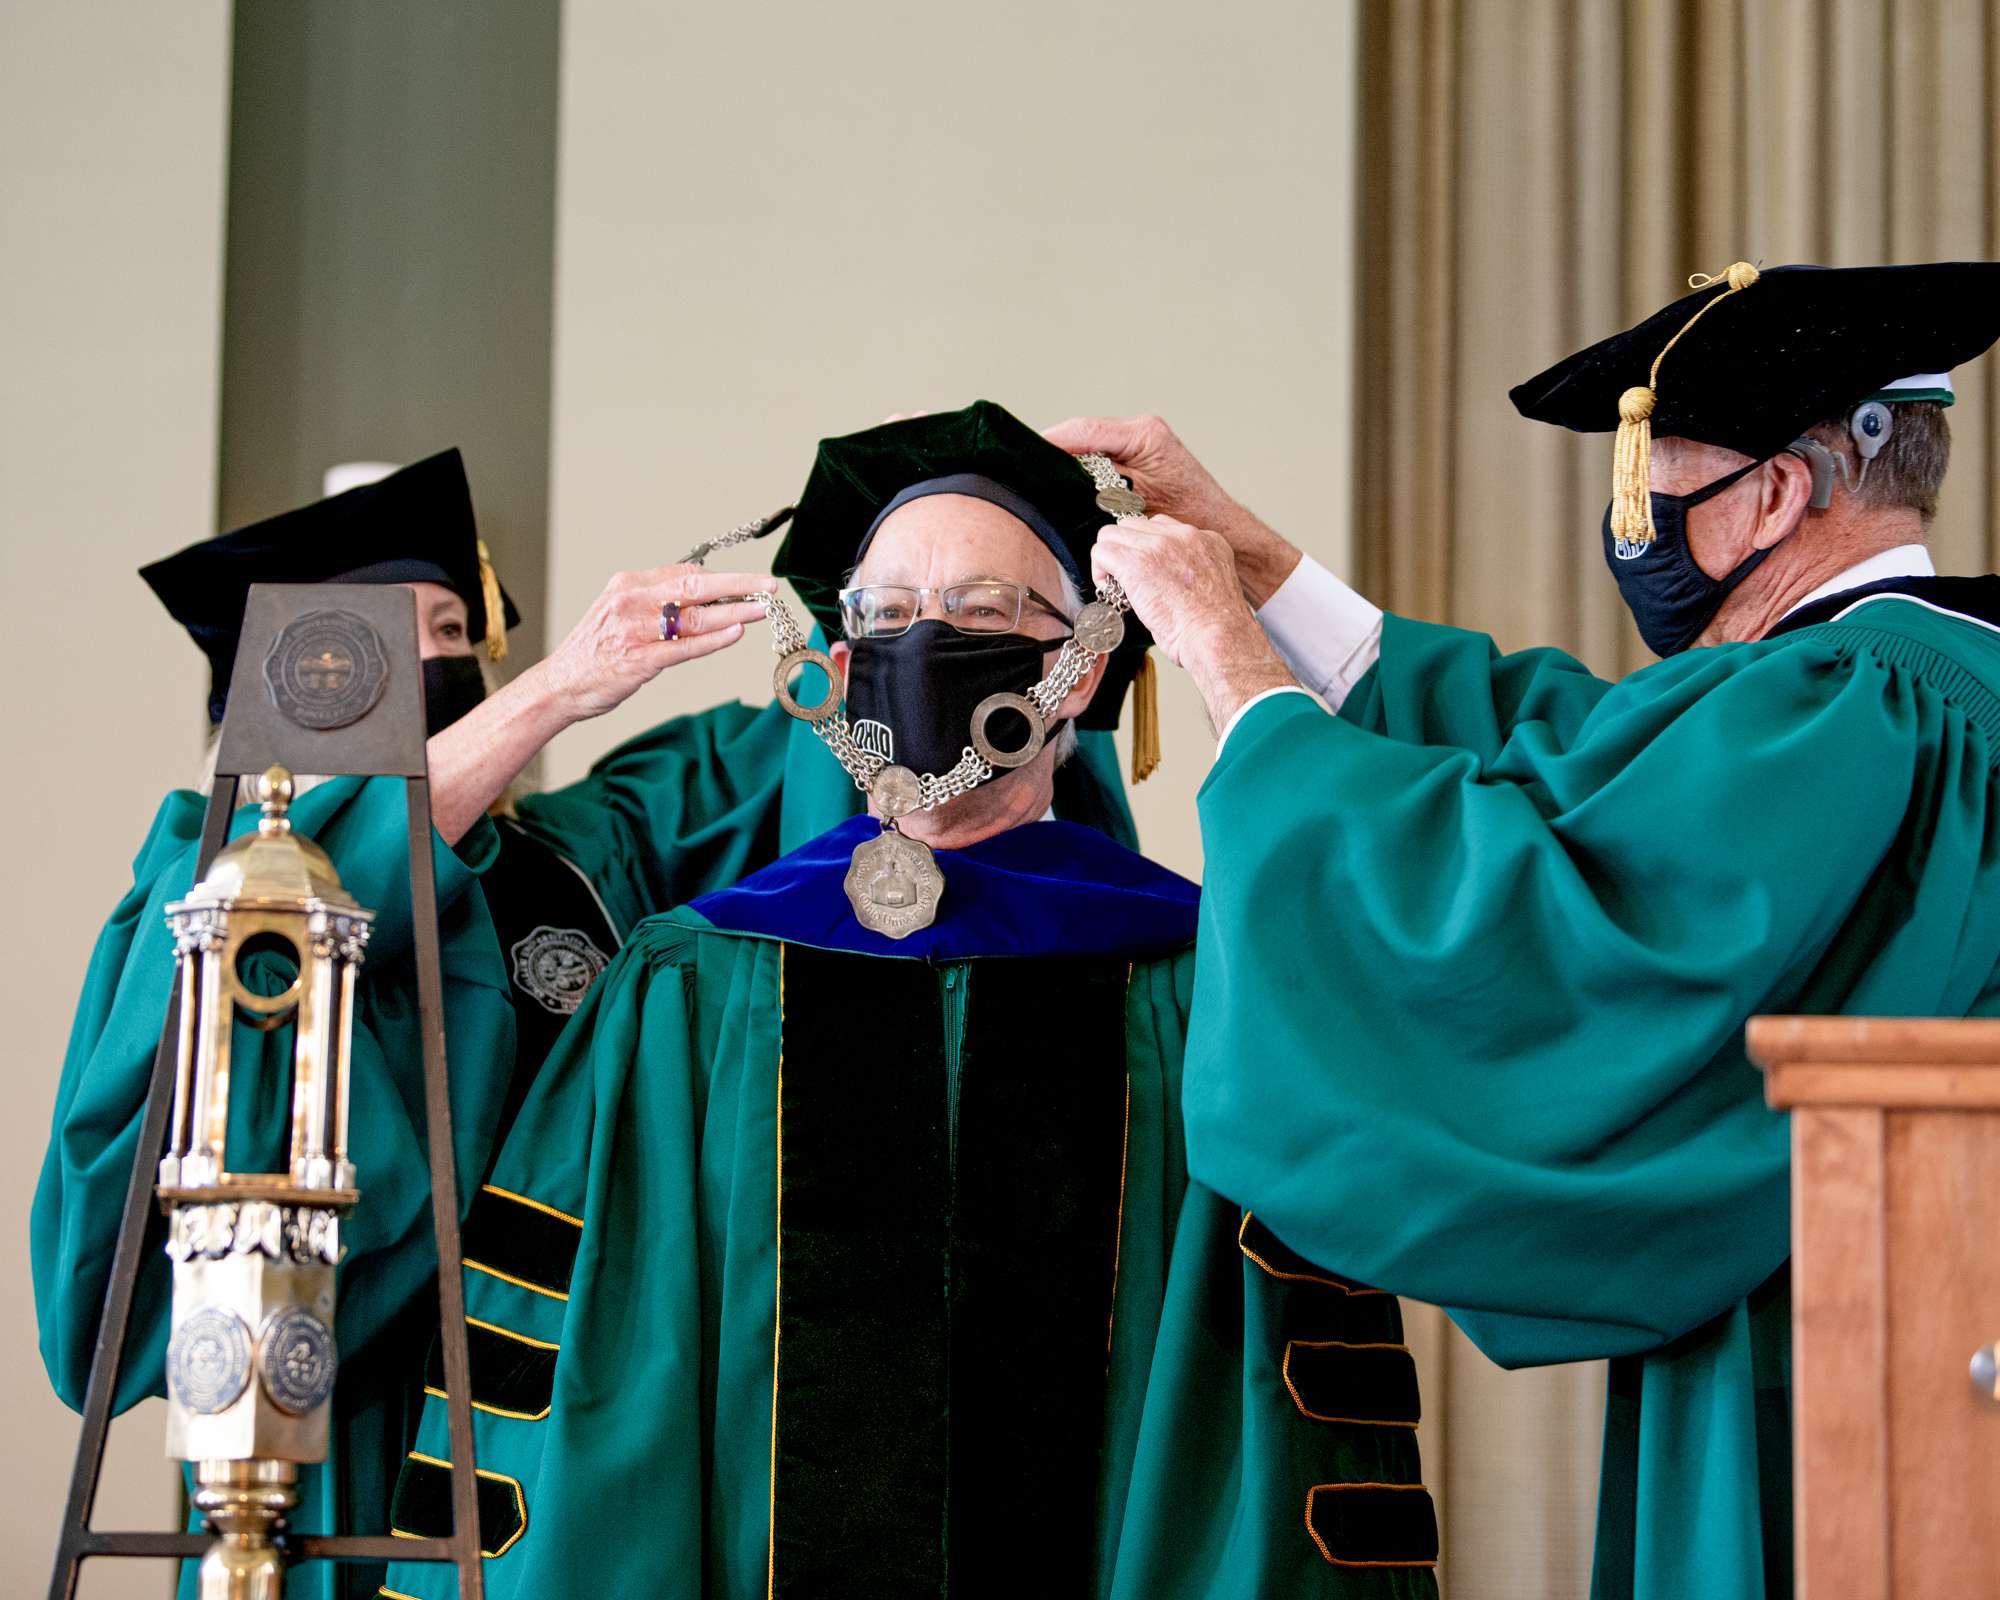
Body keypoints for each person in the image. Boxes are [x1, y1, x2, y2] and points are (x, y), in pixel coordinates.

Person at [34, 447, 1139, 1600]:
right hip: (340, 1458)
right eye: (394, 633)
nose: (437, 659)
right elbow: (284, 904)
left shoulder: (584, 848)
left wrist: (942, 556)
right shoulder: (199, 885)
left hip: (582, 1451)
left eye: (459, 630)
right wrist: (560, 687)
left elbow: (893, 748)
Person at [379, 403, 1439, 1600]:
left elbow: (1248, 1412)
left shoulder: (1198, 984)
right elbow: (598, 1396)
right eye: (882, 616)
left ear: (1078, 666)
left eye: (984, 612)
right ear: (829, 664)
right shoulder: (690, 983)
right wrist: (559, 690)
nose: (922, 642)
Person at [1054, 260, 2000, 1600]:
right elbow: (1580, 768)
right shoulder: (1900, 680)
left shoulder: (1859, 705)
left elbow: (1559, 912)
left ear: (1779, 494)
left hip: (1853, 1357)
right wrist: (1260, 568)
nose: (1639, 521)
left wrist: (1230, 664)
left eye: (1660, 471)